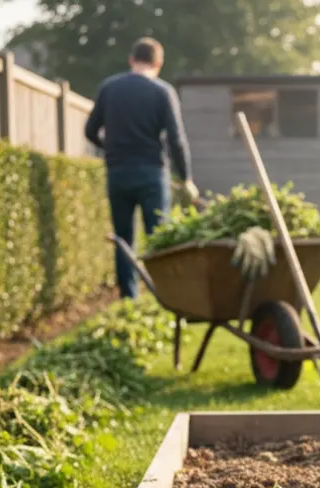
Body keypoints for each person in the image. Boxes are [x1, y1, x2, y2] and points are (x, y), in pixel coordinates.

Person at [84, 37, 199, 299]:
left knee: (124, 241)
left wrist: (110, 147)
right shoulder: (162, 91)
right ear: (158, 63)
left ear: (131, 60)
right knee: (159, 239)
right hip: (151, 174)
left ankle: (129, 299)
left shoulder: (109, 88)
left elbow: (90, 131)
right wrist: (186, 177)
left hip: (118, 173)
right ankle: (164, 296)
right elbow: (176, 138)